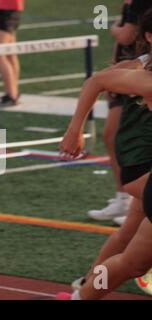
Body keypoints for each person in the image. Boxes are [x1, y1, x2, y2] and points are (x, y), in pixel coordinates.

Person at [87, 0, 152, 225]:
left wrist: (113, 27)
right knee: (113, 135)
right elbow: (96, 81)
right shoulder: (131, 6)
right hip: (132, 74)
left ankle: (133, 202)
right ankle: (127, 199)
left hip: (137, 73)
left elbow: (125, 36)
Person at [0, 0, 24, 107]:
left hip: (4, 8)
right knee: (9, 53)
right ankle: (13, 93)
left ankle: (12, 95)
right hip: (5, 8)